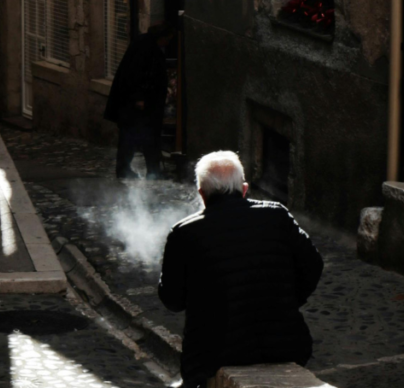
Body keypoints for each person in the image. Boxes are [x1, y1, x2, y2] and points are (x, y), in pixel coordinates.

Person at [157, 151, 324, 388]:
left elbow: (171, 300)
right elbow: (314, 265)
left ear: (202, 195)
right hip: (284, 345)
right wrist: (287, 301)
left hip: (214, 355)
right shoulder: (277, 215)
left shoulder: (183, 233)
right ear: (244, 189)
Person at [103, 23, 175, 179]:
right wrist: (139, 98)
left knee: (147, 137)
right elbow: (134, 73)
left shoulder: (146, 45)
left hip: (145, 104)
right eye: (167, 39)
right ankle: (125, 169)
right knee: (131, 137)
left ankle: (152, 170)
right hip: (136, 105)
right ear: (161, 37)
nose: (167, 43)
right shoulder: (145, 48)